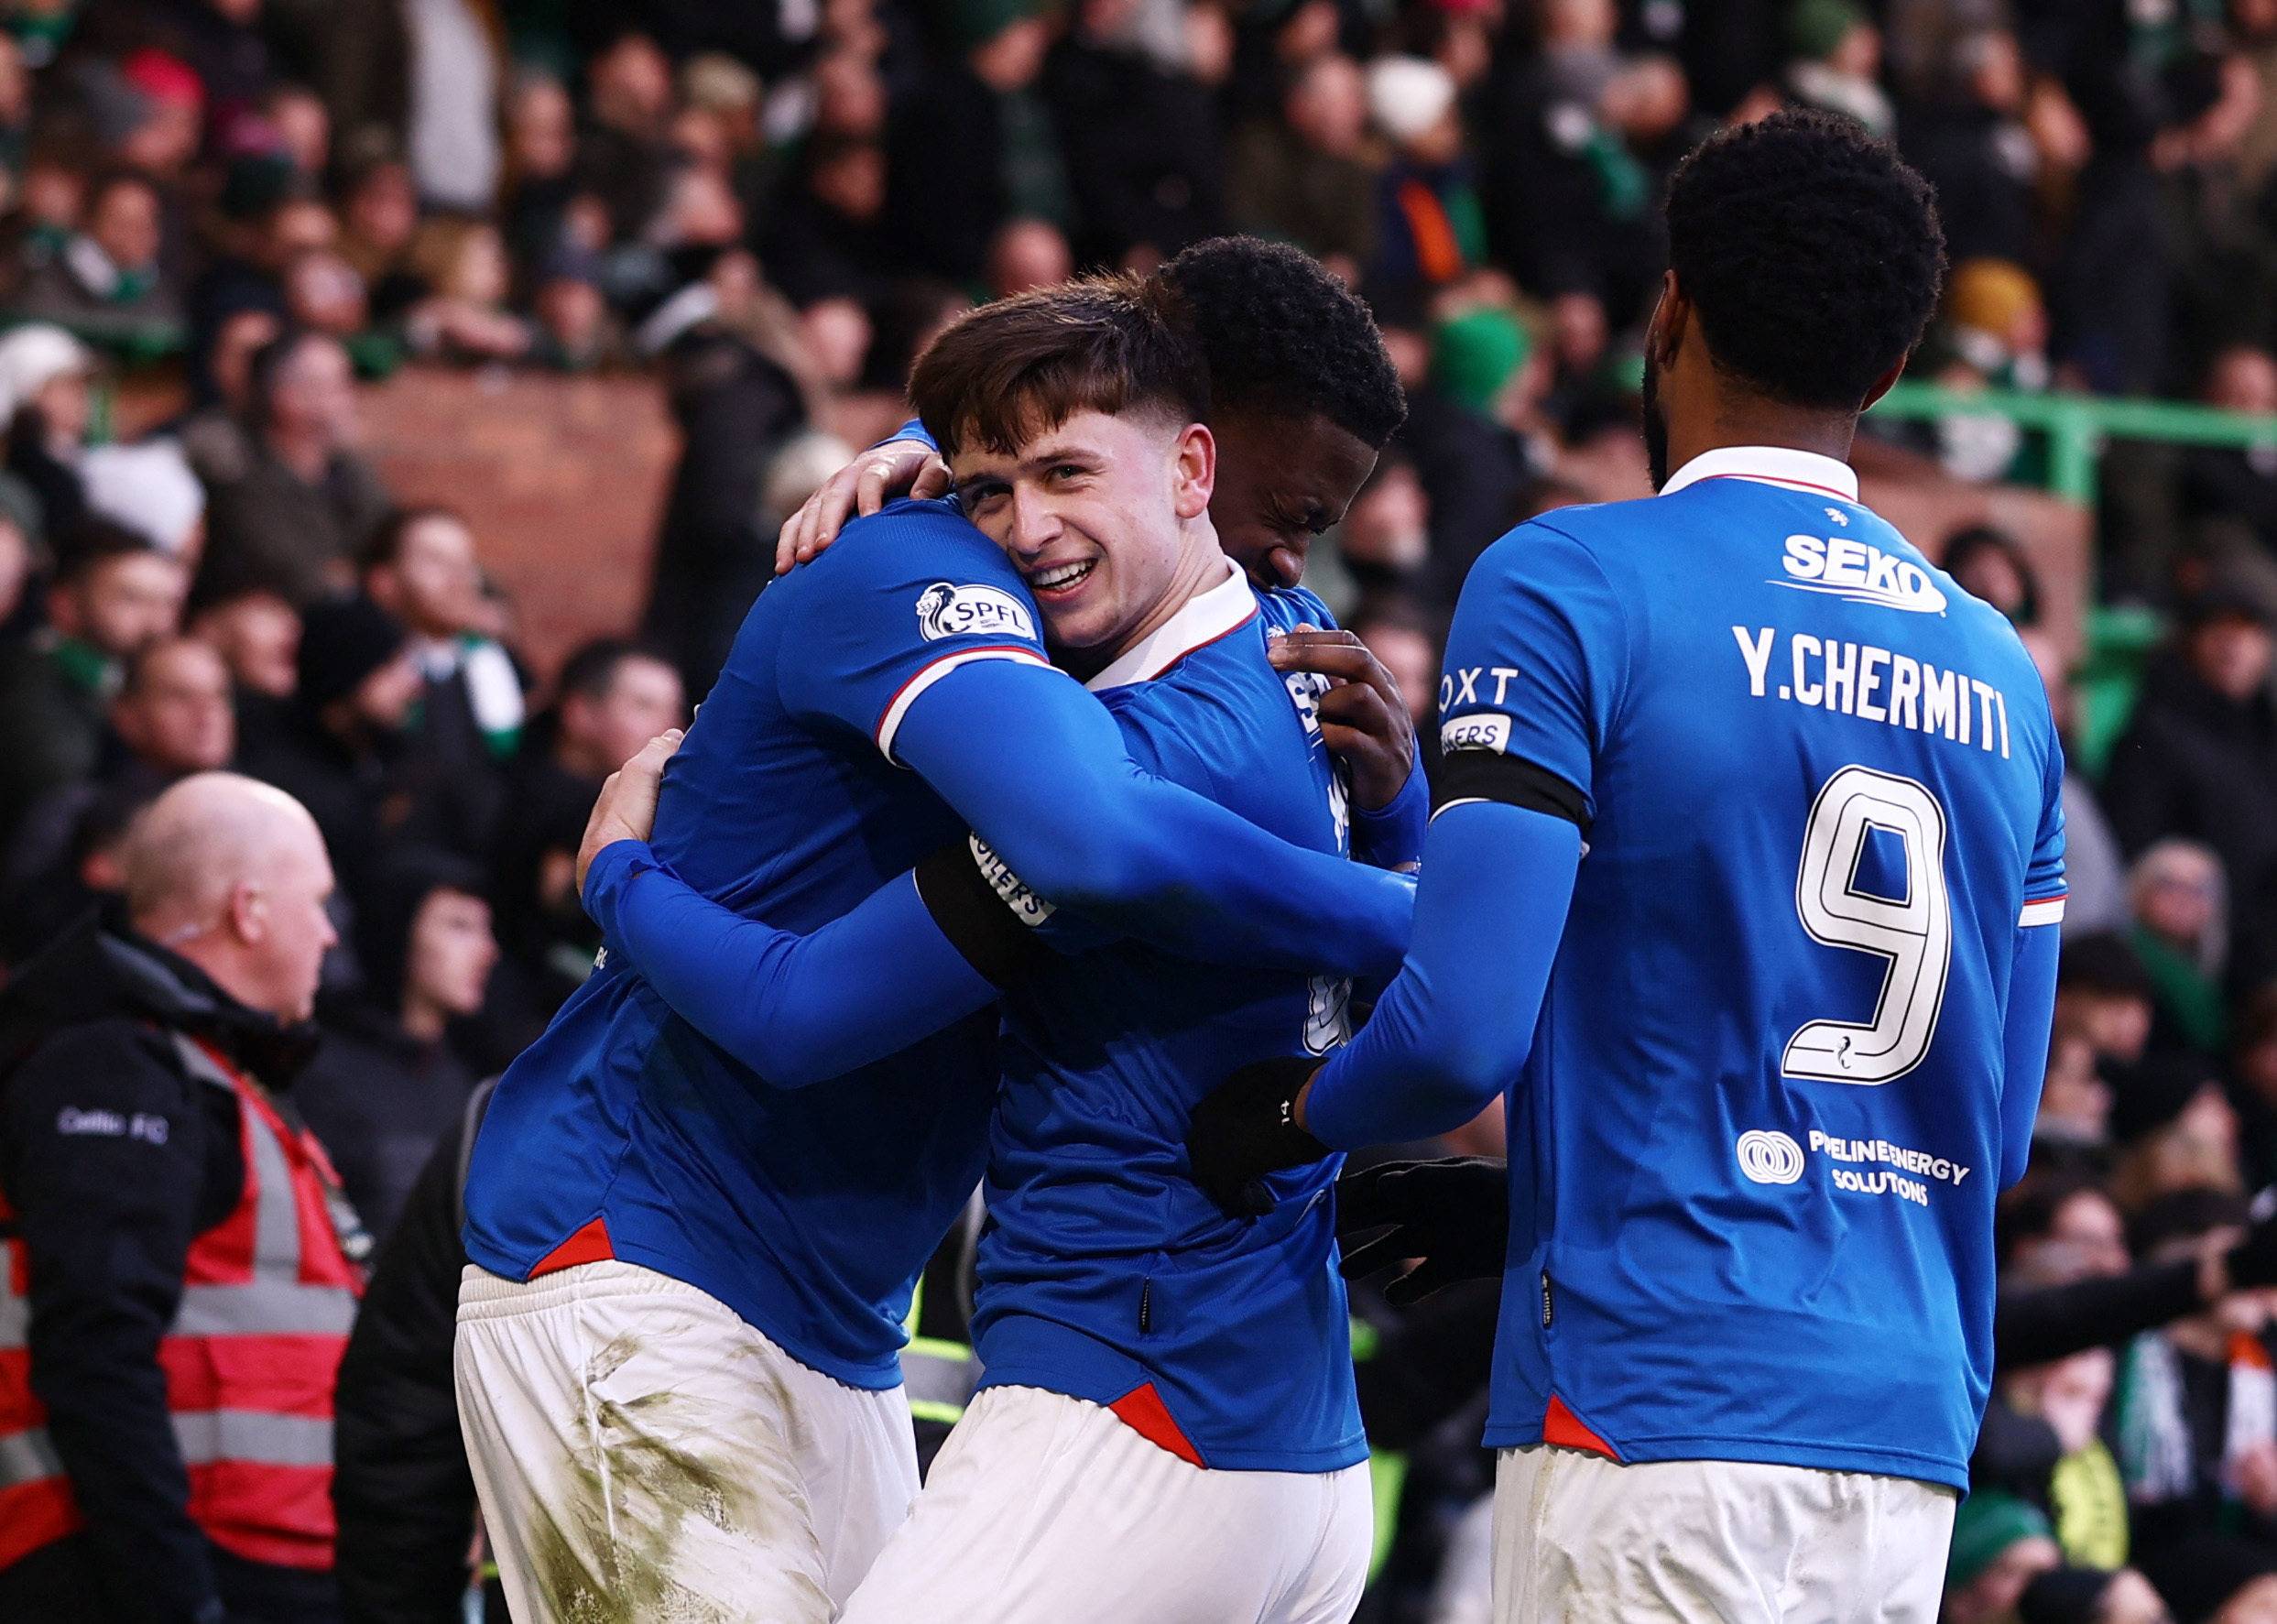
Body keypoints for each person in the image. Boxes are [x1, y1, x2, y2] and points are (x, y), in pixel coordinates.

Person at [1185, 110, 2059, 1619]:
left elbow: (1456, 1032)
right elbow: (1999, 1127)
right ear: (1892, 373)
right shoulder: (2003, 671)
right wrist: (1539, 1199)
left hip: (1650, 1391)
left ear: (1670, 310)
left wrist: (1287, 1115)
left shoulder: (1570, 576)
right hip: (1902, 1427)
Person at [454, 286, 1418, 1622]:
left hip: (845, 1312)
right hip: (641, 1248)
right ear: (1195, 446)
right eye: (1292, 507)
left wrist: (1398, 814)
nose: (1287, 558)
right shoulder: (922, 568)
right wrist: (615, 876)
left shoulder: (1193, 668)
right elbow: (1078, 843)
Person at [0, 773, 361, 1623]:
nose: (328, 936)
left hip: (259, 1559)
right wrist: (177, 1600)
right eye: (316, 903)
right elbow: (98, 1350)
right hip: (159, 1567)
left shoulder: (213, 1073)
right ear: (251, 910)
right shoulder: (118, 1067)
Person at [294, 848, 496, 1245]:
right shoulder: (323, 1070)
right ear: (400, 930)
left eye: (486, 930)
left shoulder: (462, 1081)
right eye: (459, 926)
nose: (487, 951)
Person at [0, 520, 187, 845]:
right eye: (131, 599)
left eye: (166, 603)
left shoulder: (128, 681)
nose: (156, 623)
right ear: (65, 603)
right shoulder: (26, 683)